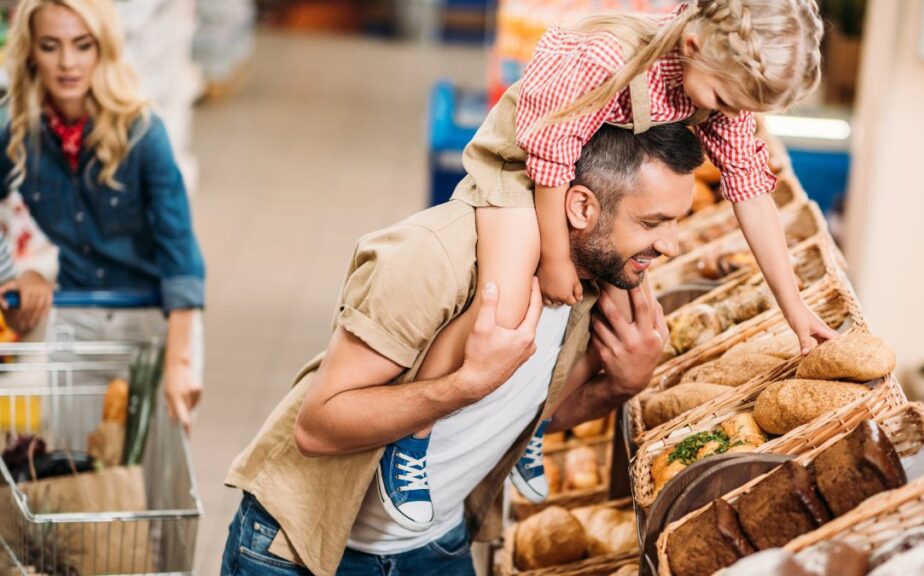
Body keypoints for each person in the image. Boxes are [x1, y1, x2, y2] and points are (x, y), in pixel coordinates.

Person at [381, 0, 838, 528]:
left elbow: (751, 192)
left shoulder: (714, 86)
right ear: (692, 47)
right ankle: (411, 443)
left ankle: (529, 427)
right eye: (719, 100)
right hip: (523, 168)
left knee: (606, 323)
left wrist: (795, 307)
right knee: (504, 303)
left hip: (591, 181)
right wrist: (554, 258)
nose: (722, 116)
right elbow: (549, 158)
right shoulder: (607, 56)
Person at [220, 121, 703, 576]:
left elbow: (520, 417)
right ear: (580, 207)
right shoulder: (431, 259)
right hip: (302, 551)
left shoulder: (594, 284)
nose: (671, 246)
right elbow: (318, 427)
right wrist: (463, 384)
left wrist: (621, 384)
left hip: (436, 544)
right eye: (652, 223)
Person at [0, 0, 206, 432]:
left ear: (103, 49)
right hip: (79, 316)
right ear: (31, 52)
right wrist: (14, 276)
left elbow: (180, 254)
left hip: (156, 321)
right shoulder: (18, 134)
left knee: (153, 482)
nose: (67, 63)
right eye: (50, 46)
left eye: (82, 45)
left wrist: (179, 362)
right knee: (69, 471)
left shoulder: (143, 132)